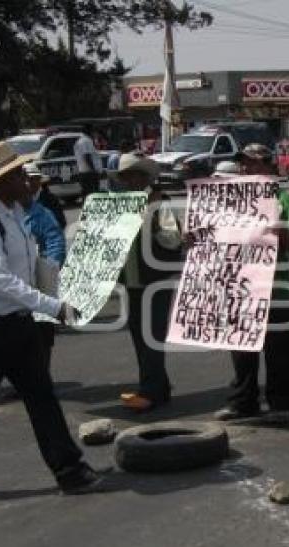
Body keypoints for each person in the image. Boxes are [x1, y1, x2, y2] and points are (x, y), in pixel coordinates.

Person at [0, 140, 104, 501]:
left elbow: (29, 265)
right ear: (0, 182)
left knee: (42, 396)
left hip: (17, 320)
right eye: (17, 175)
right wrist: (53, 305)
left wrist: (52, 282)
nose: (26, 182)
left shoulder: (13, 215)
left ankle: (70, 471)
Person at [213, 144, 289, 424]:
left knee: (280, 351)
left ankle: (282, 404)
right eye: (243, 165)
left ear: (269, 167)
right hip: (240, 288)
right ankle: (243, 402)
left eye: (254, 164)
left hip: (276, 289)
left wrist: (277, 232)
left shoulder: (284, 200)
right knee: (242, 350)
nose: (247, 169)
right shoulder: (228, 202)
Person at [114, 153, 183, 412]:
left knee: (151, 336)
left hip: (155, 281)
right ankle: (157, 387)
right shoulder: (121, 205)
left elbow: (173, 239)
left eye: (133, 175)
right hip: (133, 281)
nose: (128, 180)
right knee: (138, 335)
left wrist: (151, 222)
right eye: (125, 176)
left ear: (143, 177)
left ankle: (149, 391)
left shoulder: (159, 204)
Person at [21, 163, 67, 373]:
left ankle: (42, 373)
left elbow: (55, 240)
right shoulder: (8, 212)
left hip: (41, 278)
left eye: (32, 178)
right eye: (25, 179)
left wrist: (49, 268)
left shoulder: (44, 211)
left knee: (42, 332)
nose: (28, 183)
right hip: (19, 281)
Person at [74, 125, 102, 199]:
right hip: (89, 173)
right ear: (89, 131)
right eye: (93, 131)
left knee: (87, 194)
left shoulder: (79, 141)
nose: (94, 133)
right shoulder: (86, 140)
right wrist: (93, 171)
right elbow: (87, 156)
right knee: (93, 194)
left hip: (83, 172)